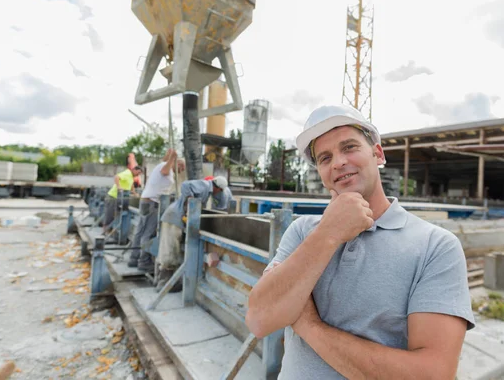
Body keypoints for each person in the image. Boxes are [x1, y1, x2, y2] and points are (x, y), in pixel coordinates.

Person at [246, 105, 475, 379]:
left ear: (377, 154)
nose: (338, 162)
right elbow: (259, 319)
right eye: (325, 157)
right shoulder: (303, 231)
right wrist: (328, 233)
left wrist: (308, 324)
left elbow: (432, 374)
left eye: (349, 147)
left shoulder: (435, 247)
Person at [156, 176, 232, 291]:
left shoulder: (207, 192)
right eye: (220, 192)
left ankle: (163, 282)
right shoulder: (206, 185)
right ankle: (163, 284)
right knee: (169, 250)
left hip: (176, 218)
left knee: (171, 249)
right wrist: (191, 200)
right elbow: (186, 185)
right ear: (218, 188)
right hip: (174, 218)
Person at [128, 149, 185, 271]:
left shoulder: (162, 165)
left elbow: (164, 165)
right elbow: (165, 170)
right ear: (177, 164)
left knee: (140, 231)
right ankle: (144, 262)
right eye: (181, 167)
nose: (182, 171)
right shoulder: (167, 168)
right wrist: (172, 157)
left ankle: (134, 258)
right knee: (148, 233)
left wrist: (169, 157)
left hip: (145, 201)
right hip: (152, 203)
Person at [103, 165, 142, 235]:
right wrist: (118, 187)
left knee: (117, 214)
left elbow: (131, 185)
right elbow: (116, 177)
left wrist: (134, 193)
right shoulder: (127, 173)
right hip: (113, 196)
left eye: (139, 174)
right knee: (110, 214)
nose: (138, 175)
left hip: (119, 198)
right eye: (138, 173)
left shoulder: (131, 177)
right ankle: (106, 231)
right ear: (134, 170)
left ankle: (113, 230)